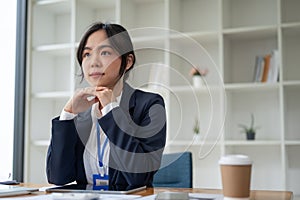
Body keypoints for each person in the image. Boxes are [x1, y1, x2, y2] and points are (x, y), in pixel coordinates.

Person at [46, 22, 166, 190]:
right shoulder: (81, 111)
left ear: (128, 61)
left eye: (104, 52)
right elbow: (57, 177)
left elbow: (139, 178)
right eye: (87, 54)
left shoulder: (150, 104)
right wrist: (67, 115)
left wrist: (111, 111)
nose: (93, 62)